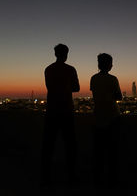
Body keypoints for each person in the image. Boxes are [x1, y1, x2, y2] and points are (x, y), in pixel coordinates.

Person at [41, 44, 80, 187]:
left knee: (48, 146)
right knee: (70, 145)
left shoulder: (48, 69)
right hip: (66, 111)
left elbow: (50, 87)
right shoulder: (70, 69)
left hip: (51, 111)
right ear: (66, 54)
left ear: (55, 54)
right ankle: (71, 176)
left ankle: (45, 178)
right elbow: (76, 88)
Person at [90, 53, 122, 189]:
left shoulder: (93, 78)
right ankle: (112, 180)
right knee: (112, 152)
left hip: (98, 117)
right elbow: (119, 97)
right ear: (109, 65)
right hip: (112, 117)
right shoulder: (113, 79)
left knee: (99, 152)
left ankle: (98, 179)